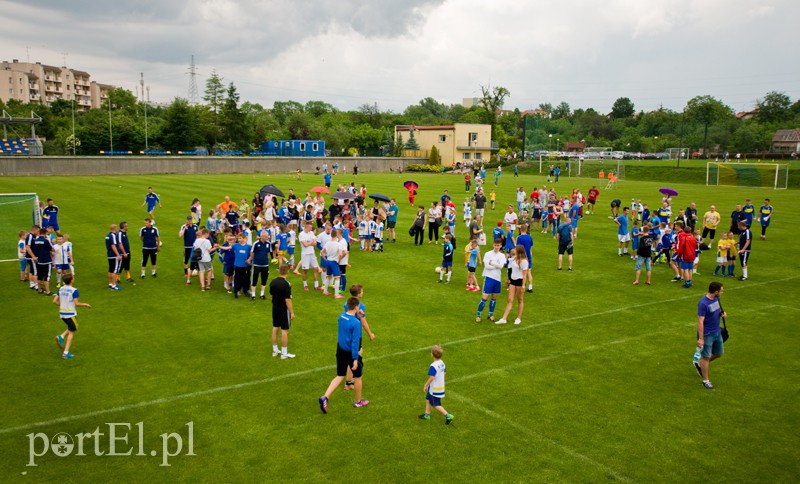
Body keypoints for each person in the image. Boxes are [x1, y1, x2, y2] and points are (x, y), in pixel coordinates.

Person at [319, 297, 367, 413]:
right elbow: (355, 342)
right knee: (358, 376)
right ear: (356, 307)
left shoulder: (341, 316)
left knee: (340, 375)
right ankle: (358, 401)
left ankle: (325, 397)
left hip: (340, 349)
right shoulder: (356, 323)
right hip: (351, 353)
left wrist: (359, 316)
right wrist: (355, 359)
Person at [695, 281, 726, 390]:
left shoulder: (716, 299)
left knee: (718, 353)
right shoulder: (703, 303)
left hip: (717, 331)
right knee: (706, 357)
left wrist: (722, 314)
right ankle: (706, 381)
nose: (722, 292)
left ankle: (700, 364)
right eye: (721, 291)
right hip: (707, 333)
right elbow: (700, 321)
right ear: (716, 291)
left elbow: (716, 311)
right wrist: (701, 338)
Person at [53, 273, 91, 360]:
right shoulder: (74, 290)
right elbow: (76, 303)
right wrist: (85, 304)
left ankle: (61, 336)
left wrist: (62, 304)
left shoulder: (61, 289)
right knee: (72, 332)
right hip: (70, 314)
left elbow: (54, 301)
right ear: (71, 280)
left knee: (73, 326)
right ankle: (65, 353)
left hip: (62, 314)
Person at [419, 345, 454, 424]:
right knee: (428, 399)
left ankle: (448, 416)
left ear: (432, 354)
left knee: (435, 404)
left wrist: (425, 385)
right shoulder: (442, 363)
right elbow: (444, 373)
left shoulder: (433, 366)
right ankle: (427, 415)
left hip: (434, 390)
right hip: (439, 387)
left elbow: (432, 377)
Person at [475, 239, 507, 323]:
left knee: (494, 297)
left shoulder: (502, 256)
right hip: (489, 277)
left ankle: (490, 314)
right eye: (495, 245)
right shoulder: (488, 254)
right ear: (493, 245)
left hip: (497, 279)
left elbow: (501, 266)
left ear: (500, 246)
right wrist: (497, 265)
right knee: (484, 298)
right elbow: (487, 266)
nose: (496, 247)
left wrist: (492, 263)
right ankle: (478, 315)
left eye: (498, 245)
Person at [496, 245, 528, 325]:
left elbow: (524, 275)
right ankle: (504, 318)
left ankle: (519, 318)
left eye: (515, 249)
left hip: (519, 282)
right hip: (513, 281)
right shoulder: (514, 258)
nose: (513, 250)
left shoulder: (524, 261)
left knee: (520, 300)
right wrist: (509, 279)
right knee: (509, 299)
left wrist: (523, 286)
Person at [270, 265, 295, 359]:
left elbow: (271, 296)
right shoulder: (287, 284)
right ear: (287, 272)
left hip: (275, 307)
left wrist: (274, 304)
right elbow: (287, 300)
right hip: (284, 309)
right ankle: (284, 353)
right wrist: (292, 312)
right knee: (285, 330)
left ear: (279, 271)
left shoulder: (273, 282)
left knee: (275, 327)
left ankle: (275, 350)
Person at [298, 221, 321, 291]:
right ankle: (305, 284)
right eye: (310, 227)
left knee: (316, 268)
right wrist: (311, 242)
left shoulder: (311, 233)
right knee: (305, 270)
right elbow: (305, 245)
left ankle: (316, 285)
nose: (311, 228)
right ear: (306, 227)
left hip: (312, 253)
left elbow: (315, 243)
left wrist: (309, 243)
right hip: (305, 254)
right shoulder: (301, 234)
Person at [249, 229, 271, 299]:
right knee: (254, 279)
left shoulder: (268, 244)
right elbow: (252, 252)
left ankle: (262, 294)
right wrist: (252, 260)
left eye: (267, 236)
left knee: (264, 279)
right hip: (256, 264)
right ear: (262, 236)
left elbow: (268, 252)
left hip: (265, 264)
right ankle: (253, 295)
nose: (268, 237)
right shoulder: (256, 243)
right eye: (266, 236)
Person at [33, 228, 55, 295]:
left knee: (39, 276)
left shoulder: (36, 241)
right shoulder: (45, 241)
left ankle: (39, 290)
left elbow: (35, 250)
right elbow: (51, 249)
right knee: (46, 276)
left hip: (39, 260)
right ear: (45, 233)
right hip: (46, 260)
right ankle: (48, 292)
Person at [179, 216, 199, 285]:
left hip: (194, 246)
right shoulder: (183, 226)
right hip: (187, 246)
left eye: (190, 220)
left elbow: (198, 235)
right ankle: (186, 272)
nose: (189, 221)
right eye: (188, 220)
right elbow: (180, 235)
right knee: (186, 260)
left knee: (195, 259)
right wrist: (184, 229)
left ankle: (196, 270)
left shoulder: (195, 226)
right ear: (186, 220)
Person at [232, 233, 252, 298]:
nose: (238, 239)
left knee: (246, 278)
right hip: (237, 265)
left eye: (240, 238)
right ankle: (237, 290)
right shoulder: (235, 245)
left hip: (246, 266)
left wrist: (249, 261)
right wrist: (220, 247)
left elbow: (252, 254)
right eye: (238, 238)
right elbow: (228, 248)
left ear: (244, 238)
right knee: (237, 278)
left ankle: (246, 290)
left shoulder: (248, 246)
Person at [516, 224, 533, 292]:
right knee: (529, 272)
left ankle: (522, 285)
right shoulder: (530, 237)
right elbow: (530, 247)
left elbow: (518, 248)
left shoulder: (519, 238)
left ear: (520, 229)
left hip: (521, 257)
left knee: (521, 272)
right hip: (528, 256)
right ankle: (530, 286)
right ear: (526, 230)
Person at [105, 224, 123, 291]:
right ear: (114, 228)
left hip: (109, 254)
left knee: (110, 270)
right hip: (113, 255)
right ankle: (114, 285)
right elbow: (113, 246)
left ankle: (110, 284)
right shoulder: (113, 235)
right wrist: (118, 254)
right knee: (114, 271)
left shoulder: (108, 235)